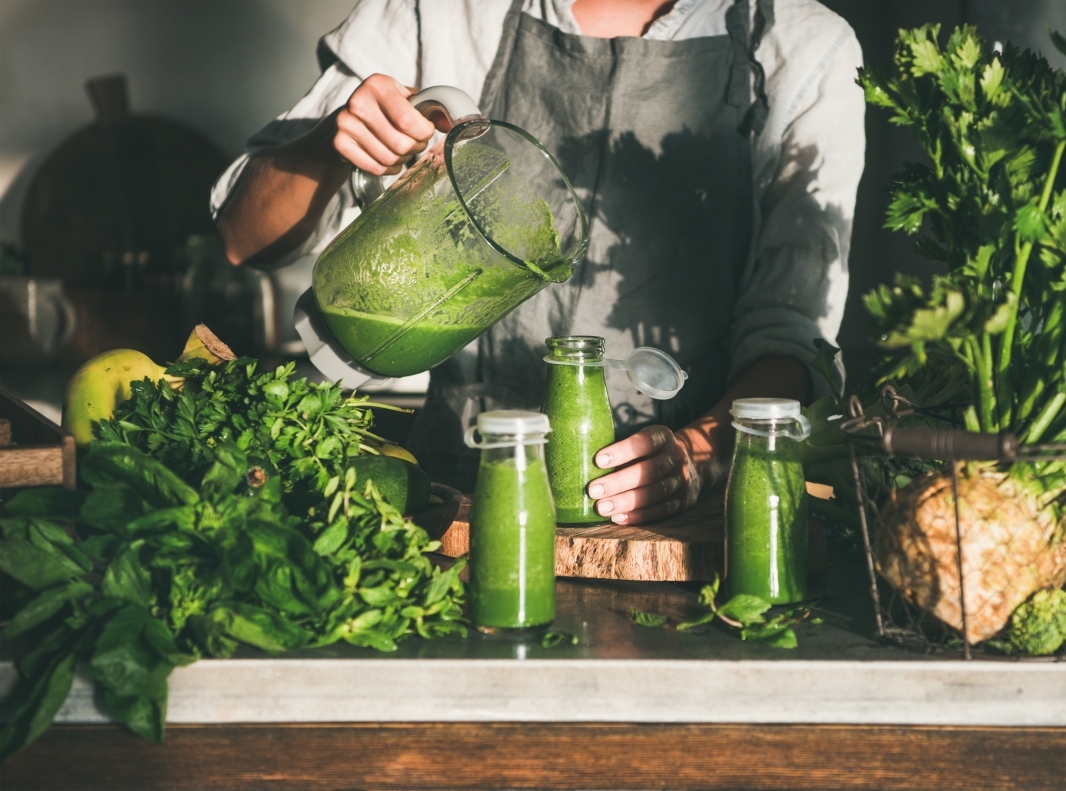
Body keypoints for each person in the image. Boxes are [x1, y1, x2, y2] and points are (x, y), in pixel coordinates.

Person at [213, 0, 864, 525]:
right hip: (449, 503)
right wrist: (331, 145)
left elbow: (790, 334)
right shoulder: (445, 12)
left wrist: (697, 454)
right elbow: (246, 238)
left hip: (685, 525)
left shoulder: (801, 45)